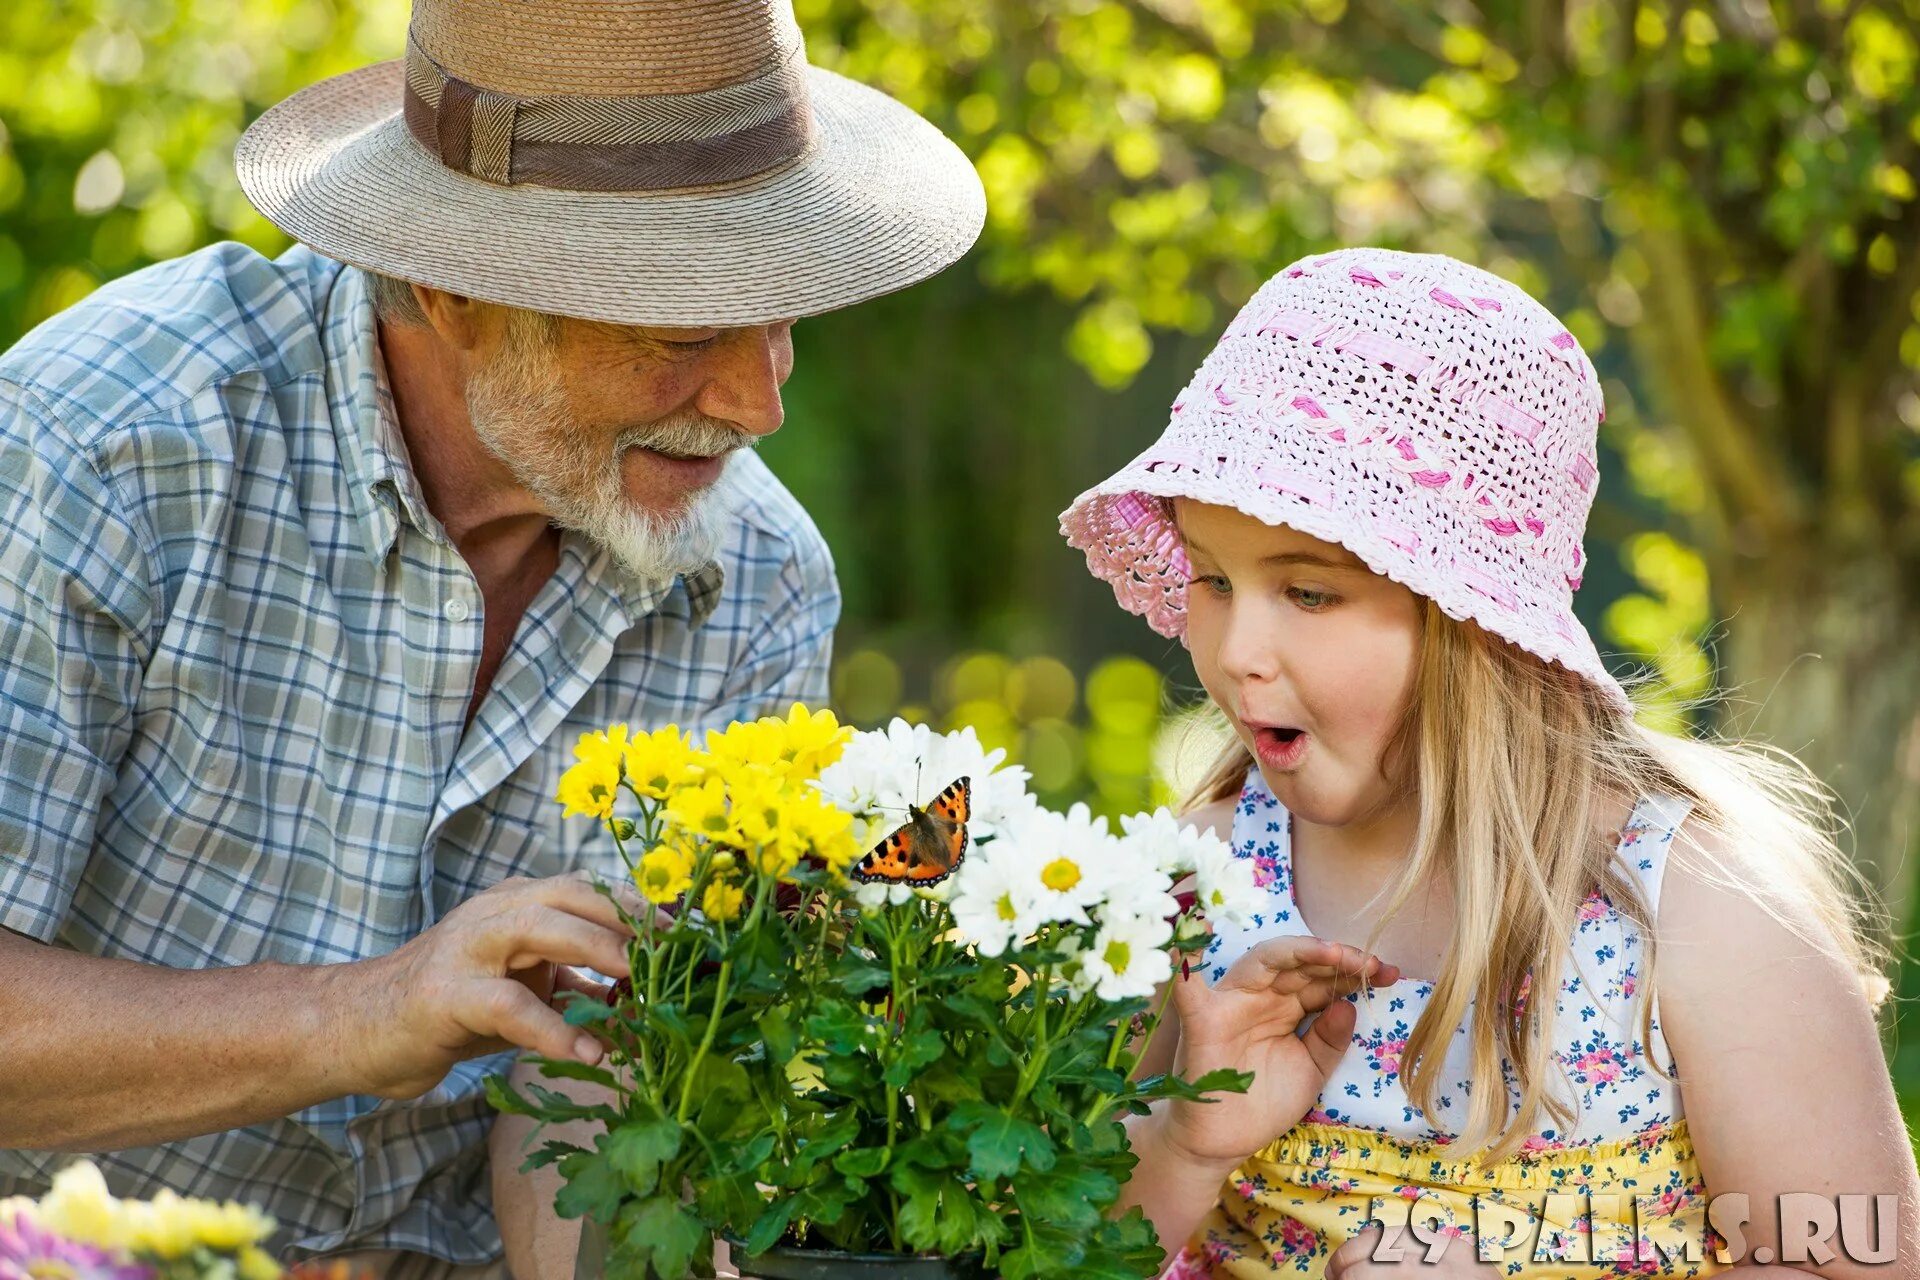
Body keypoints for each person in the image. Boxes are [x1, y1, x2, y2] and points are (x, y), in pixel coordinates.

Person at [0, 1, 984, 1277]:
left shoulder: (759, 579)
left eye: (783, 312)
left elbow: (593, 1081)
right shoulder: (107, 446)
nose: (759, 401)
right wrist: (367, 1011)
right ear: (454, 287)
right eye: (687, 330)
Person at [1058, 248, 1919, 1277]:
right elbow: (1061, 1245)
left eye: (1311, 593)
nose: (1236, 650)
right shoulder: (1200, 886)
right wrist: (1187, 1141)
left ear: (1475, 629)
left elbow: (1863, 1258)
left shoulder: (1692, 909)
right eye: (1211, 579)